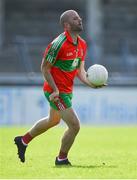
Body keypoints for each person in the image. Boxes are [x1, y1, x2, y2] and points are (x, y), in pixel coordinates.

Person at [14, 10, 104, 166]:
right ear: (67, 25)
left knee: (53, 121)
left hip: (67, 91)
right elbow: (44, 68)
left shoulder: (82, 44)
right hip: (55, 91)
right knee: (75, 125)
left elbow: (80, 71)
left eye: (79, 17)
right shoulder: (58, 44)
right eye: (75, 18)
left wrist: (92, 85)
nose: (80, 19)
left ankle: (23, 140)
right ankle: (61, 159)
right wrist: (55, 90)